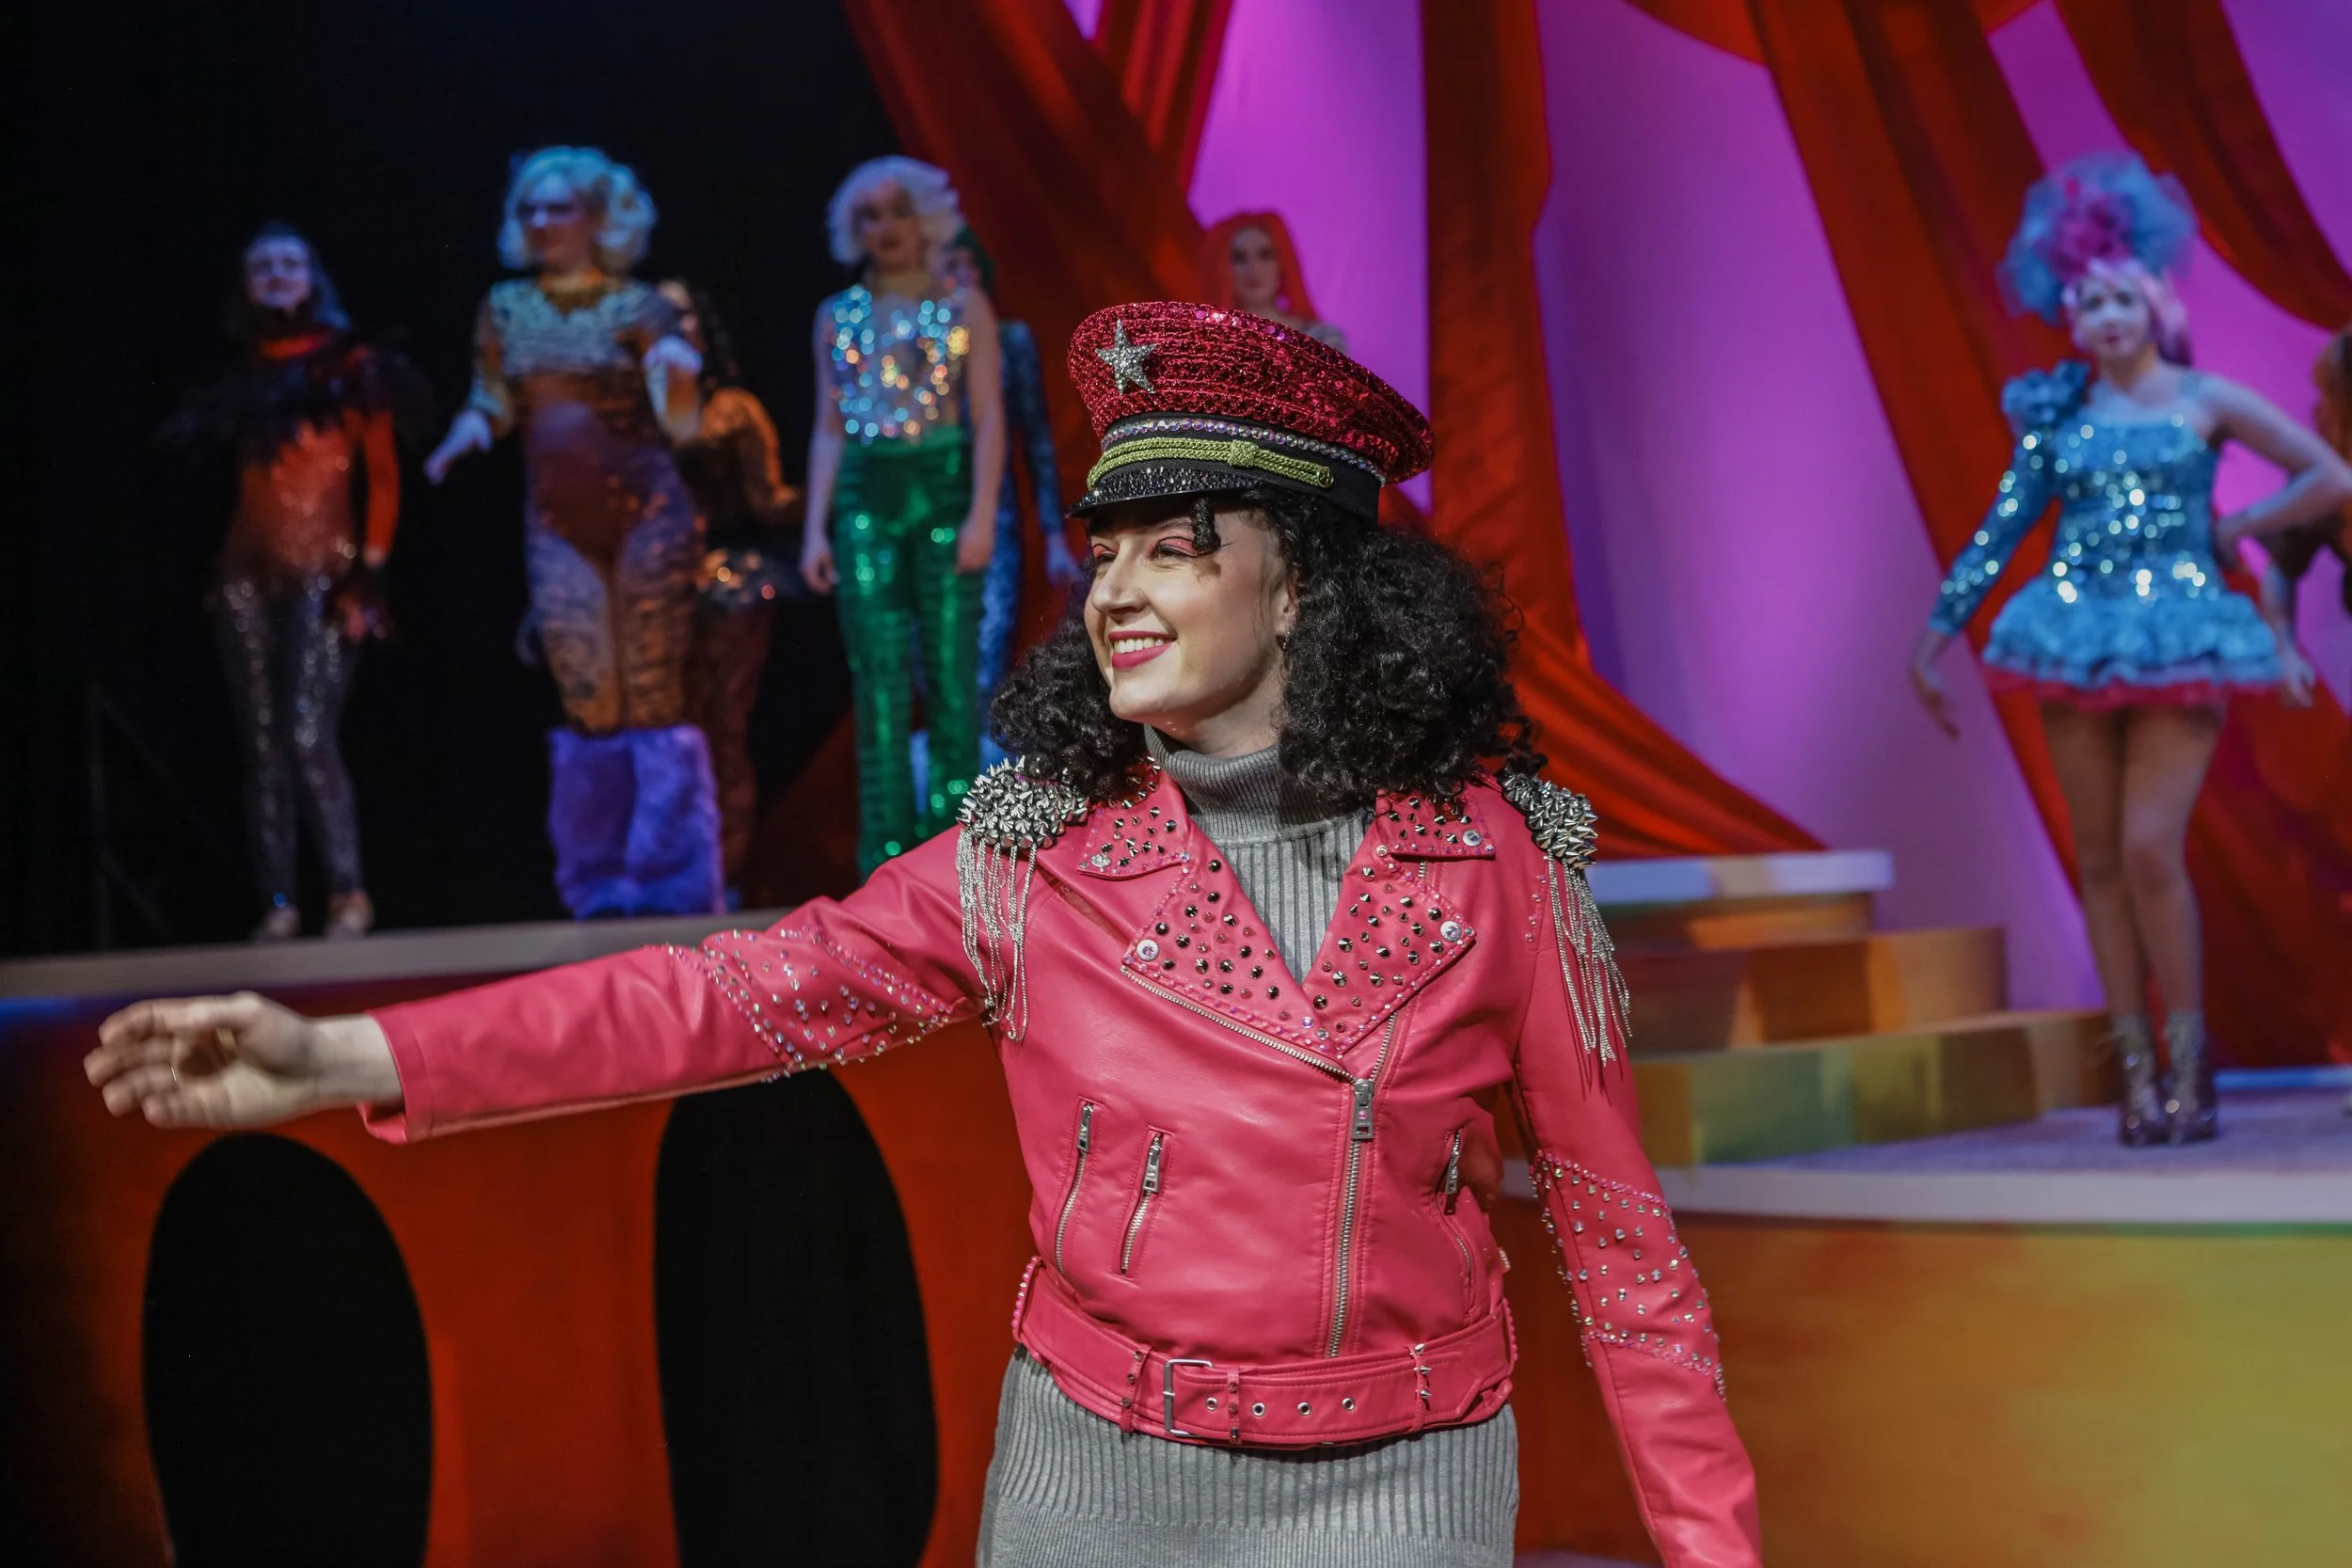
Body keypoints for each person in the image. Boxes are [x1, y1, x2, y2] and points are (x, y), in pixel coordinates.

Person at [88, 301, 1762, 1568]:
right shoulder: (1031, 860)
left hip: (1405, 1480)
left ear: (1311, 584)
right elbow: (720, 996)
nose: (1116, 587)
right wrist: (355, 1051)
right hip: (1095, 1473)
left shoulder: (1498, 869)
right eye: (1104, 546)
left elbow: (1628, 1264)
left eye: (1179, 548)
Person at [1908, 154, 2352, 1147]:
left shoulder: (2204, 397)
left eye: (2121, 297)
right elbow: (2002, 525)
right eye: (2088, 302)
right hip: (2070, 630)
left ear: (2151, 299)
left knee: (2152, 845)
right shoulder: (2057, 415)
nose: (2107, 317)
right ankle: (2137, 1075)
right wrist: (1937, 634)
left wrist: (2239, 531)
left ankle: (2193, 1070)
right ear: (2069, 315)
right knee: (2101, 857)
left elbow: (2327, 473)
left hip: (2183, 633)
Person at [423, 147, 722, 918]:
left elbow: (681, 424)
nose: (542, 221)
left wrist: (679, 374)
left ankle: (673, 882)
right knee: (590, 697)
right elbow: (491, 396)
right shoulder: (504, 307)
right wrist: (462, 435)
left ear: (596, 217)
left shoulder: (639, 307)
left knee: (654, 693)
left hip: (648, 518)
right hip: (557, 524)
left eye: (558, 208)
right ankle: (600, 881)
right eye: (530, 209)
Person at [162, 225, 422, 942]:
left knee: (310, 734)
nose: (276, 275)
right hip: (246, 571)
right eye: (262, 266)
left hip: (328, 570)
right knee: (264, 740)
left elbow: (383, 474)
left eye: (289, 263)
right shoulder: (242, 377)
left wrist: (369, 571)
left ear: (313, 278)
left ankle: (347, 892)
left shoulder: (352, 367)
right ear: (246, 285)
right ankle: (278, 900)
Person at [800, 158, 1005, 878]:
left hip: (943, 487)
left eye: (897, 212)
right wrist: (815, 529)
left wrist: (983, 516)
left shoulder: (962, 306)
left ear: (927, 218)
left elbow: (987, 418)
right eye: (870, 217)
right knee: (878, 681)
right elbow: (829, 426)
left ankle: (955, 863)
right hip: (866, 494)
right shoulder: (837, 314)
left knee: (953, 676)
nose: (885, 229)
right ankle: (884, 863)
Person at [658, 279, 804, 903]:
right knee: (660, 733)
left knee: (721, 728)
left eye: (683, 311)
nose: (673, 322)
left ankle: (722, 875)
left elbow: (770, 501)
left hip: (728, 586)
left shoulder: (733, 410)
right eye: (658, 313)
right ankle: (661, 874)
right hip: (649, 593)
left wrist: (842, 499)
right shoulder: (628, 409)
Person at [939, 227, 1082, 766]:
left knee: (986, 654)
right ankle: (945, 791)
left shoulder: (1010, 340)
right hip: (924, 524)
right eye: (947, 266)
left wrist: (1051, 536)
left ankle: (982, 794)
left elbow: (1038, 441)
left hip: (992, 525)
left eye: (967, 265)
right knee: (932, 663)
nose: (959, 277)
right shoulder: (915, 347)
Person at [1200, 212, 1347, 354]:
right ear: (1222, 269)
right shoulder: (1207, 339)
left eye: (1266, 255)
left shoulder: (1322, 339)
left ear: (1283, 264)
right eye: (1239, 258)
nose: (1253, 269)